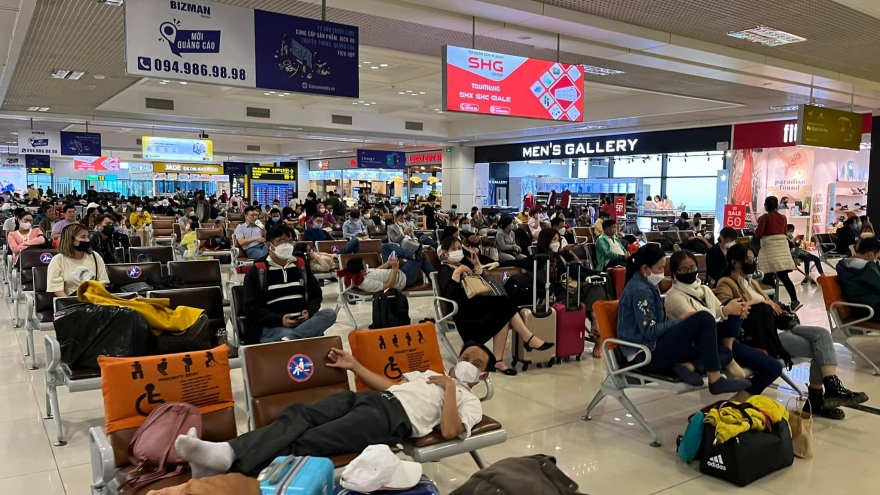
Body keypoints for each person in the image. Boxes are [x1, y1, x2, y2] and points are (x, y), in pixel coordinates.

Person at [174, 342, 494, 478]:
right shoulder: (428, 374)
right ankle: (226, 452)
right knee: (298, 414)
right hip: (367, 400)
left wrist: (449, 388)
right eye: (465, 357)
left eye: (476, 364)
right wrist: (354, 365)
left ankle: (228, 467)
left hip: (389, 420)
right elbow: (389, 385)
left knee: (310, 440)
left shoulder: (468, 401)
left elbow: (450, 430)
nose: (468, 364)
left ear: (483, 376)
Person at [718, 245, 867, 419]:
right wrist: (762, 302)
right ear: (735, 262)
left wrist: (774, 306)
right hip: (763, 336)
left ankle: (830, 387)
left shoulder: (752, 282)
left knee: (822, 334)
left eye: (753, 258)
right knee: (820, 349)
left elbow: (768, 306)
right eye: (749, 259)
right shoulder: (726, 283)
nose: (753, 262)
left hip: (776, 327)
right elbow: (728, 308)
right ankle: (818, 399)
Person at [616, 244, 751, 395]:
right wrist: (681, 319)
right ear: (645, 268)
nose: (663, 273)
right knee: (704, 318)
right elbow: (650, 331)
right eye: (660, 268)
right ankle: (715, 379)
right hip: (645, 356)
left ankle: (687, 366)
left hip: (654, 347)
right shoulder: (640, 290)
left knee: (724, 352)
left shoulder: (646, 285)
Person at [664, 251, 782, 403]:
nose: (689, 272)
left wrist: (737, 310)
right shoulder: (673, 296)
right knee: (729, 307)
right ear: (675, 273)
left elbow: (722, 314)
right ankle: (727, 356)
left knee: (774, 368)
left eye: (692, 267)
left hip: (722, 341)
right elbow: (698, 321)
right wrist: (726, 311)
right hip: (697, 345)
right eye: (684, 269)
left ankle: (733, 403)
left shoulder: (704, 290)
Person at [437, 236, 553, 375]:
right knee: (505, 304)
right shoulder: (445, 269)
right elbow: (451, 294)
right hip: (464, 311)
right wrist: (458, 271)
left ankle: (499, 360)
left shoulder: (462, 264)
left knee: (504, 309)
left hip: (475, 305)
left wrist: (476, 264)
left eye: (458, 248)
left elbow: (480, 284)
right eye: (453, 249)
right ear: (445, 253)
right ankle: (528, 338)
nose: (457, 251)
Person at [242, 224, 336, 343]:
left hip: (302, 322)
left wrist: (309, 311)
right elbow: (251, 309)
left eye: (290, 241)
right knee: (296, 335)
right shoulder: (258, 271)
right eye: (281, 241)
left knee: (329, 314)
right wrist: (280, 320)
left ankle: (293, 338)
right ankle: (298, 337)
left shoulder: (300, 266)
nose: (286, 245)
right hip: (273, 327)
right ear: (269, 245)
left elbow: (315, 294)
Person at [755, 196, 800, 311]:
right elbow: (784, 232)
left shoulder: (765, 217)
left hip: (770, 249)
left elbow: (759, 233)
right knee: (784, 277)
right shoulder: (783, 217)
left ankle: (770, 304)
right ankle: (795, 300)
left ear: (766, 205)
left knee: (768, 276)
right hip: (782, 249)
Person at [47, 224, 110, 297]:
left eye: (87, 236)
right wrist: (70, 301)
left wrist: (94, 296)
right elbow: (57, 289)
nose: (87, 240)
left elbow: (103, 280)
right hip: (70, 300)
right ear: (70, 240)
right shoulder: (58, 260)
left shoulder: (95, 256)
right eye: (83, 237)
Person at [836, 237, 880, 323]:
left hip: (857, 307)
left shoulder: (843, 265)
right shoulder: (867, 267)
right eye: (877, 257)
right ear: (871, 255)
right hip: (870, 308)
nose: (876, 260)